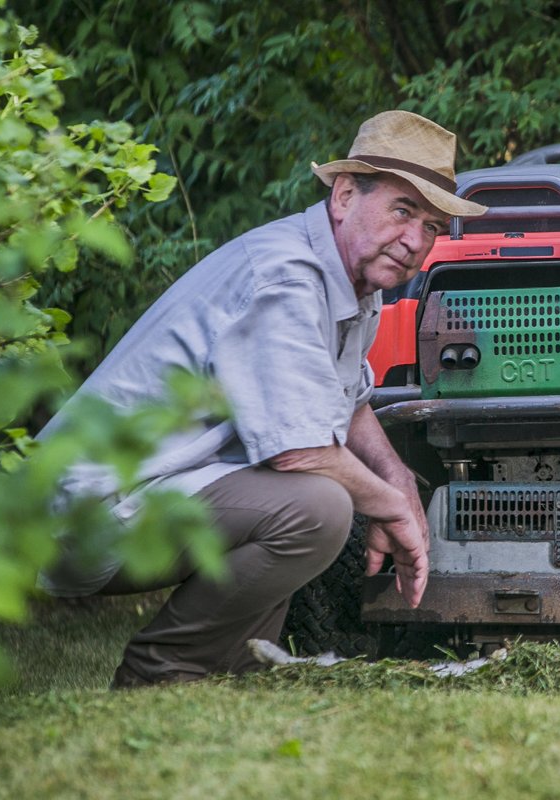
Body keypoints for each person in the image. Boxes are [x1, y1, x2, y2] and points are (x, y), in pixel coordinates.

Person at [37, 111, 488, 688]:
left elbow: (346, 403)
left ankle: (238, 672)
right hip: (88, 513)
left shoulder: (353, 283)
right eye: (403, 211)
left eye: (430, 226)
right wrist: (393, 508)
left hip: (159, 491)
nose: (414, 241)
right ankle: (161, 669)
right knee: (317, 508)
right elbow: (298, 451)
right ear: (346, 195)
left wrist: (397, 478)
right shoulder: (286, 277)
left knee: (320, 498)